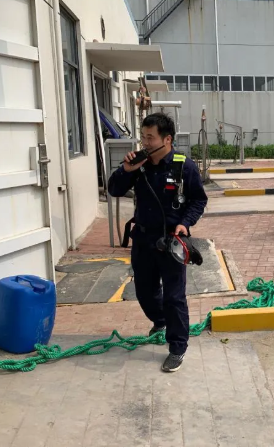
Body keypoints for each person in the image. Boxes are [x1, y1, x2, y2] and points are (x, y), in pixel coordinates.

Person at [108, 113, 208, 372]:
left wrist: (185, 223)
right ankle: (160, 320)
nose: (145, 142)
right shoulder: (138, 165)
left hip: (172, 241)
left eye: (150, 138)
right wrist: (126, 170)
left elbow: (199, 200)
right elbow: (114, 189)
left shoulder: (183, 166)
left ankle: (177, 347)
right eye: (143, 137)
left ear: (167, 139)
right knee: (144, 291)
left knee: (174, 297)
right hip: (143, 239)